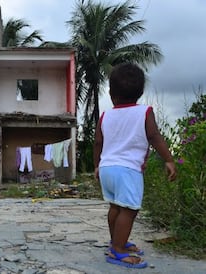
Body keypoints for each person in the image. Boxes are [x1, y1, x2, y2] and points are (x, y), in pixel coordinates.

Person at [93, 63, 177, 269]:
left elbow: (97, 142)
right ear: (140, 92)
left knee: (115, 207)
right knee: (129, 211)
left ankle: (116, 242)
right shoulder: (144, 112)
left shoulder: (106, 115)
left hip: (107, 168)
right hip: (128, 170)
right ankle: (118, 250)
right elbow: (154, 137)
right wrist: (168, 159)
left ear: (111, 93)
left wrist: (97, 166)